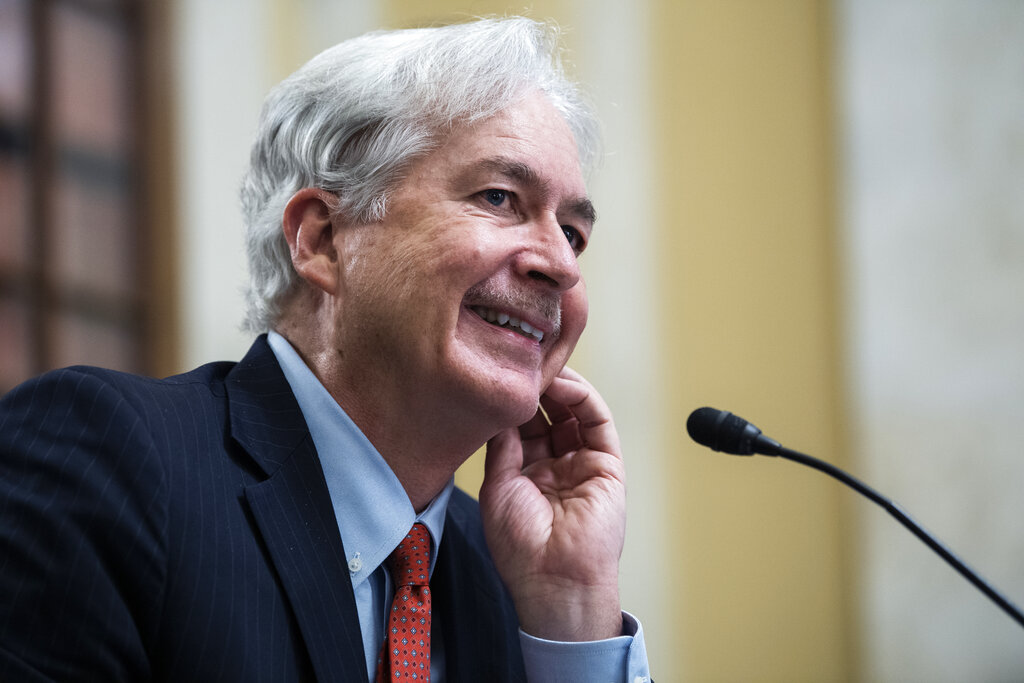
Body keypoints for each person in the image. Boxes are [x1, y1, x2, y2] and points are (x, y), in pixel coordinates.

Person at [0, 17, 651, 683]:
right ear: (323, 240)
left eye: (573, 233)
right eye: (500, 198)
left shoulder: (522, 577)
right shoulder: (110, 460)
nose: (560, 267)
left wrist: (572, 616)